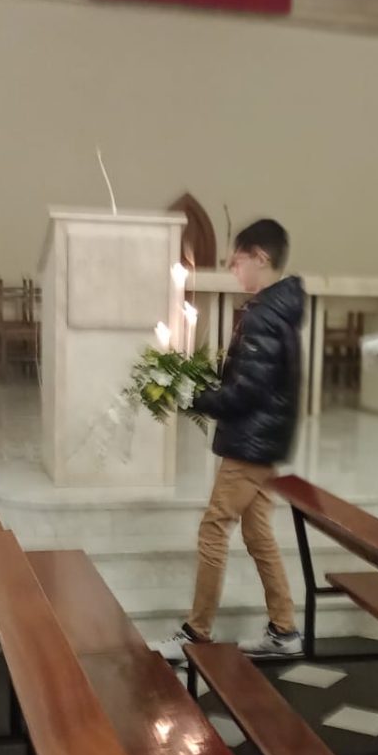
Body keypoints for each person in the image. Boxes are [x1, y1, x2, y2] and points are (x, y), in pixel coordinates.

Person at [154, 219, 304, 661]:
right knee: (257, 533)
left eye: (237, 261)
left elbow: (247, 392)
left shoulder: (263, 315)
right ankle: (284, 630)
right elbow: (253, 380)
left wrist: (193, 396)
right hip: (264, 440)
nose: (233, 269)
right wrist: (202, 380)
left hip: (250, 443)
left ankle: (195, 632)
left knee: (214, 527)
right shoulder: (279, 309)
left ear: (260, 257)